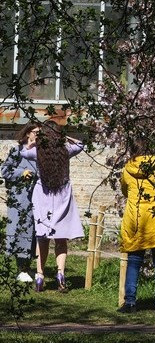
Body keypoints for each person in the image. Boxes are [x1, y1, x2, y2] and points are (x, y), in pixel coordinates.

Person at [20, 120, 84, 293]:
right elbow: (80, 144)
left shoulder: (36, 152)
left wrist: (32, 141)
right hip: (62, 195)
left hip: (43, 195)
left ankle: (40, 276)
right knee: (61, 239)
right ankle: (60, 274)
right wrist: (64, 137)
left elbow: (24, 152)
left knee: (42, 238)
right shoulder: (66, 150)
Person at [117, 137, 155, 314]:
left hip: (135, 220)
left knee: (134, 262)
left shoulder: (127, 169)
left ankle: (130, 302)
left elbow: (124, 191)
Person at [2, 123, 40, 283]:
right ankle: (21, 268)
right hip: (19, 199)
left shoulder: (40, 152)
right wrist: (21, 173)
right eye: (36, 132)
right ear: (28, 133)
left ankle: (28, 265)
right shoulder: (17, 151)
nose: (38, 135)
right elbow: (4, 170)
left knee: (32, 232)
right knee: (20, 230)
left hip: (36, 198)